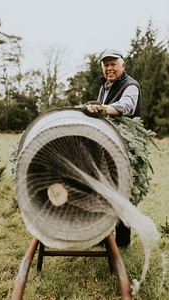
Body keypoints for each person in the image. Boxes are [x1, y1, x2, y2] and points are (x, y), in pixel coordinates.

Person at [82, 49, 142, 248]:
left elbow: (126, 106)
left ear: (122, 66)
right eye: (106, 64)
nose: (109, 68)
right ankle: (101, 237)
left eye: (113, 64)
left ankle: (122, 243)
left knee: (122, 191)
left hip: (126, 146)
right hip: (107, 143)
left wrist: (102, 108)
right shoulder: (105, 86)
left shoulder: (131, 86)